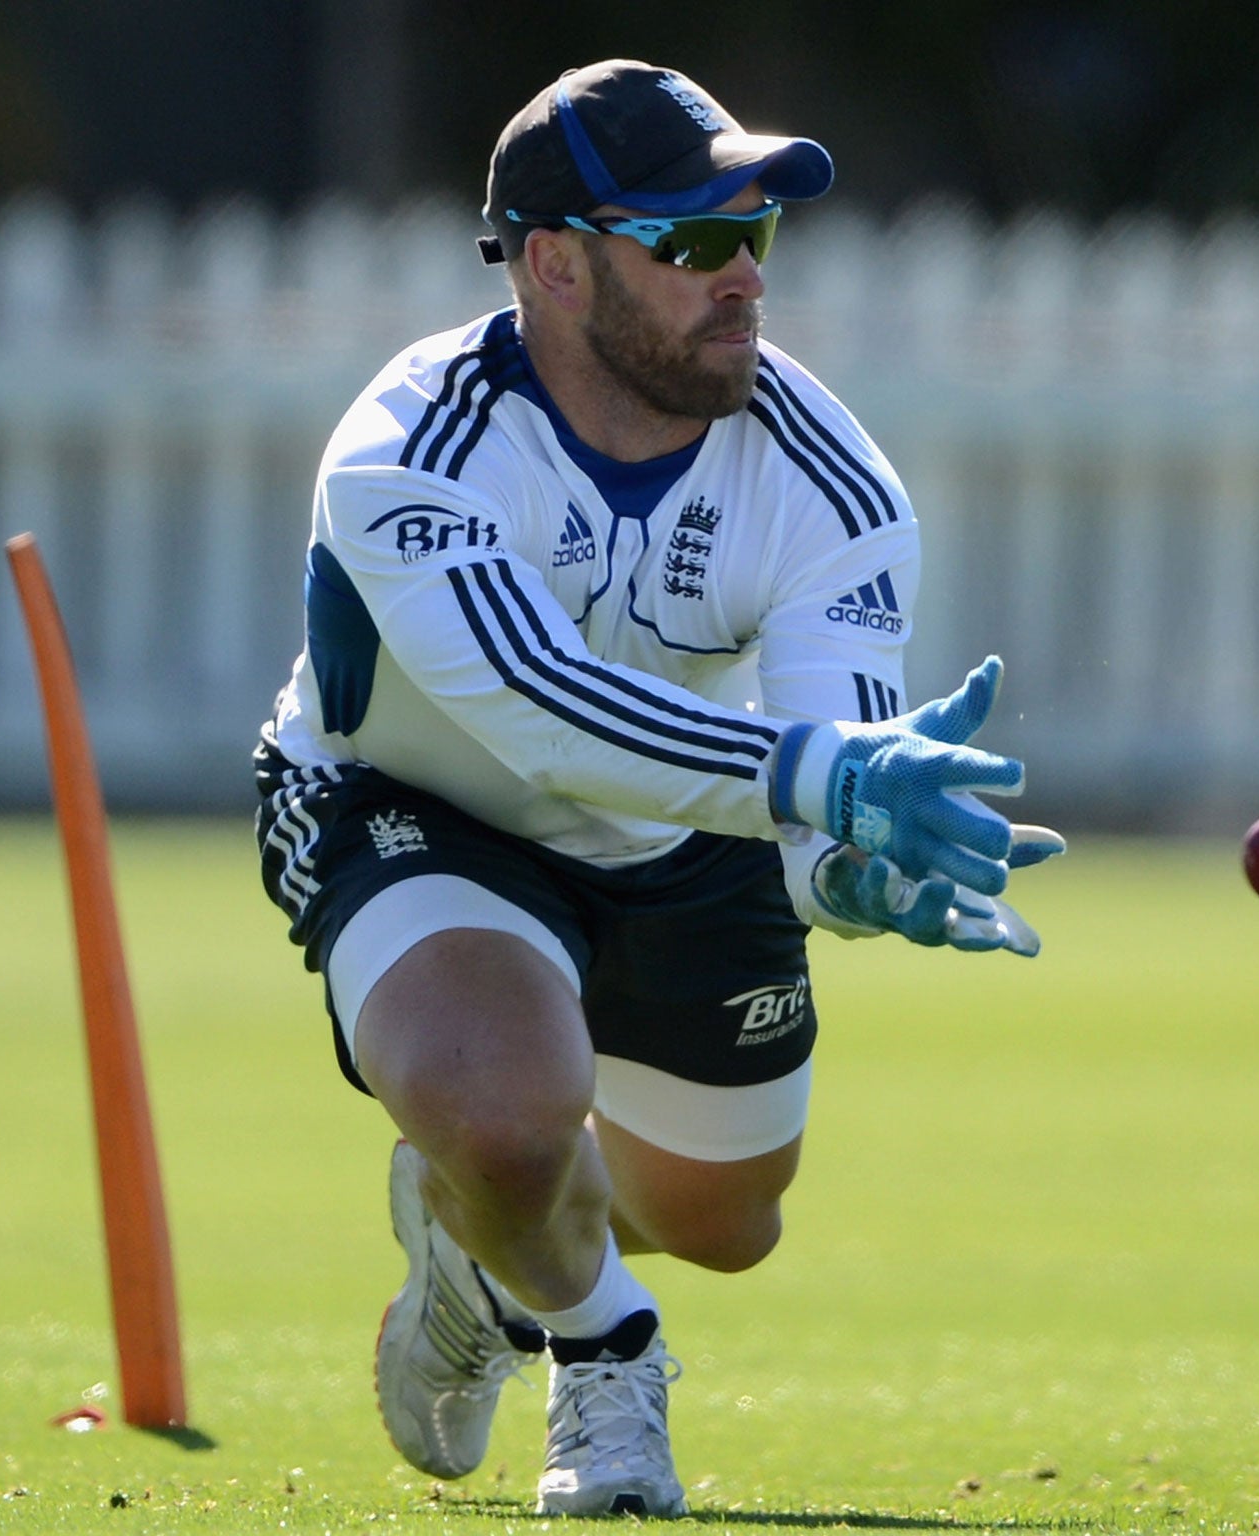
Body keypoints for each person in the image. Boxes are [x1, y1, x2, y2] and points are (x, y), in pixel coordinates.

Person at [253, 58, 1062, 1517]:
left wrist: (851, 877)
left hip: (689, 814)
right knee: (512, 1119)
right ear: (554, 265)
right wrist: (822, 786)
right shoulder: (408, 444)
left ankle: (478, 1253)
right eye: (692, 243)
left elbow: (834, 763)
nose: (740, 276)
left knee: (730, 1215)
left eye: (755, 236)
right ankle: (602, 1351)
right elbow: (546, 715)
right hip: (425, 806)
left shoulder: (835, 481)